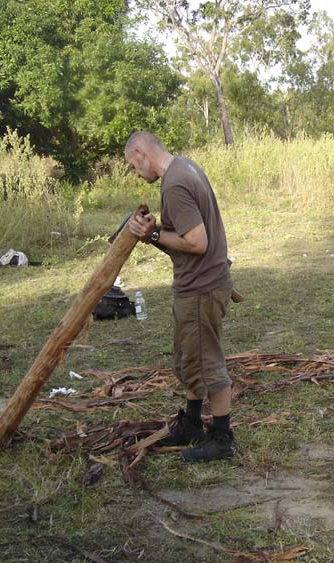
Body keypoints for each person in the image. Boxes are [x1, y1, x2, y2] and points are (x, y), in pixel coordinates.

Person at [124, 131, 235, 462]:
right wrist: (154, 233)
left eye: (133, 166)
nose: (135, 173)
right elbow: (184, 238)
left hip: (201, 288)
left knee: (207, 363)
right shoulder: (185, 166)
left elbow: (196, 242)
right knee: (190, 358)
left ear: (141, 154)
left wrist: (153, 234)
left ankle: (222, 438)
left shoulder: (174, 184)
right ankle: (191, 423)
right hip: (200, 285)